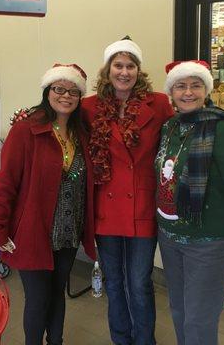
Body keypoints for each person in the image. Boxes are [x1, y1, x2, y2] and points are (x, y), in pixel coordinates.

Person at [0, 63, 96, 345]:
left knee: (57, 292)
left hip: (68, 233)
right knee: (37, 298)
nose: (66, 96)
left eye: (73, 91)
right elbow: (4, 185)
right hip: (33, 233)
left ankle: (55, 341)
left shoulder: (82, 134)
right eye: (59, 89)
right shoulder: (26, 131)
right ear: (47, 91)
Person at [155, 60, 224, 345]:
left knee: (200, 318)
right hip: (171, 238)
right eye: (181, 86)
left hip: (209, 242)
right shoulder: (170, 127)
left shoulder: (223, 130)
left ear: (206, 90)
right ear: (171, 92)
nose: (188, 92)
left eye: (196, 85)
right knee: (179, 308)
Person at [82, 36, 174, 345]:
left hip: (143, 208)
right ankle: (121, 339)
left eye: (130, 66)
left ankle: (145, 341)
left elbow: (178, 138)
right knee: (114, 282)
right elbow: (60, 123)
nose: (124, 72)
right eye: (118, 66)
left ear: (138, 70)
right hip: (105, 210)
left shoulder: (158, 103)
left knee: (139, 282)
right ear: (108, 70)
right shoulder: (88, 107)